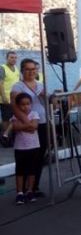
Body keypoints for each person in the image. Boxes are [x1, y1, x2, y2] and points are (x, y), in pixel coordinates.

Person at [10, 58, 48, 197]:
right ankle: (22, 189)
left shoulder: (40, 85)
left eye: (34, 69)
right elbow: (14, 106)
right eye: (28, 69)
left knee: (39, 156)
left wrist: (49, 96)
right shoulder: (17, 86)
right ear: (23, 71)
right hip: (27, 125)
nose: (32, 72)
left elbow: (49, 102)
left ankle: (33, 187)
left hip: (42, 122)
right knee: (26, 157)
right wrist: (28, 123)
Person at [12, 93, 40, 205]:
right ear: (18, 106)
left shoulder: (34, 114)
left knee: (31, 170)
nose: (25, 107)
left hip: (33, 147)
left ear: (31, 104)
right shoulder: (16, 116)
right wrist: (28, 127)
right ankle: (19, 192)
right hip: (20, 147)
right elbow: (15, 127)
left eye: (28, 104)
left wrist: (23, 127)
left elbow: (35, 126)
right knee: (20, 171)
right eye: (22, 105)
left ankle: (30, 190)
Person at [0, 51, 19, 137]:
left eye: (15, 58)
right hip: (6, 99)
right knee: (6, 119)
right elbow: (0, 83)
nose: (14, 59)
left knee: (15, 117)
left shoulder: (16, 68)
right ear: (7, 58)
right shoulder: (2, 68)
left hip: (15, 98)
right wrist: (3, 96)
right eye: (11, 57)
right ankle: (5, 137)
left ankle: (10, 135)